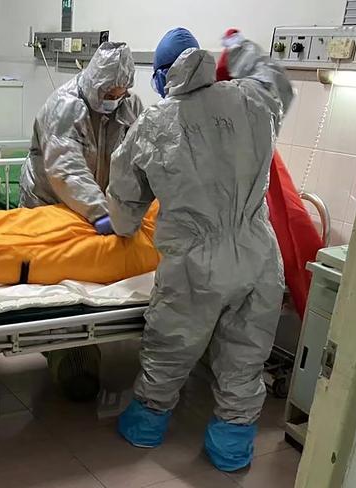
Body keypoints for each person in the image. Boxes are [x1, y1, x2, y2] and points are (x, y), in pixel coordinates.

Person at [109, 28, 293, 471]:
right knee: (245, 354)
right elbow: (279, 82)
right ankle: (231, 448)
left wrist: (123, 227)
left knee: (171, 346)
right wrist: (240, 47)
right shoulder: (253, 100)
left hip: (196, 263)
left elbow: (123, 202)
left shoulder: (154, 124)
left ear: (160, 76)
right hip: (257, 255)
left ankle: (147, 425)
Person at [19, 41, 143, 235]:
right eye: (109, 95)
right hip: (48, 203)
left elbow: (137, 157)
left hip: (90, 208)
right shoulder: (65, 107)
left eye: (120, 95)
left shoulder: (129, 106)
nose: (114, 101)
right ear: (95, 86)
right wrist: (99, 212)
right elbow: (66, 169)